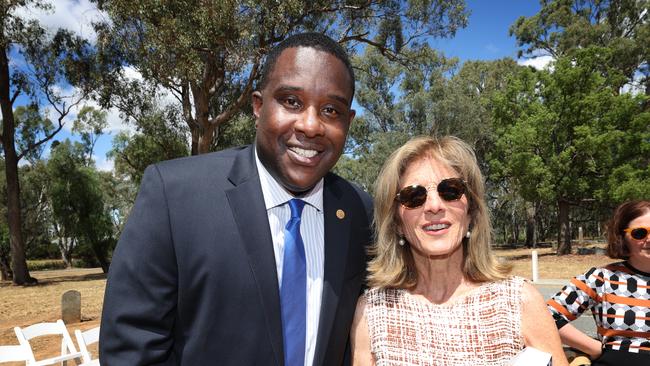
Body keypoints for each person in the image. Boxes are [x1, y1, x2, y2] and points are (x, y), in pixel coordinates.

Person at [99, 32, 373, 366]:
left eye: (331, 110)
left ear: (348, 121)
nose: (311, 125)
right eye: (291, 102)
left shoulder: (360, 211)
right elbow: (132, 349)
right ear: (258, 106)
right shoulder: (173, 196)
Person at [350, 136, 568, 365]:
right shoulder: (371, 311)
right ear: (396, 222)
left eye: (450, 190)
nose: (434, 206)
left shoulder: (519, 301)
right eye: (414, 197)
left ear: (471, 211)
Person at [547, 200, 650, 365]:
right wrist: (594, 348)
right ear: (623, 237)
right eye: (640, 233)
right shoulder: (602, 278)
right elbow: (547, 316)